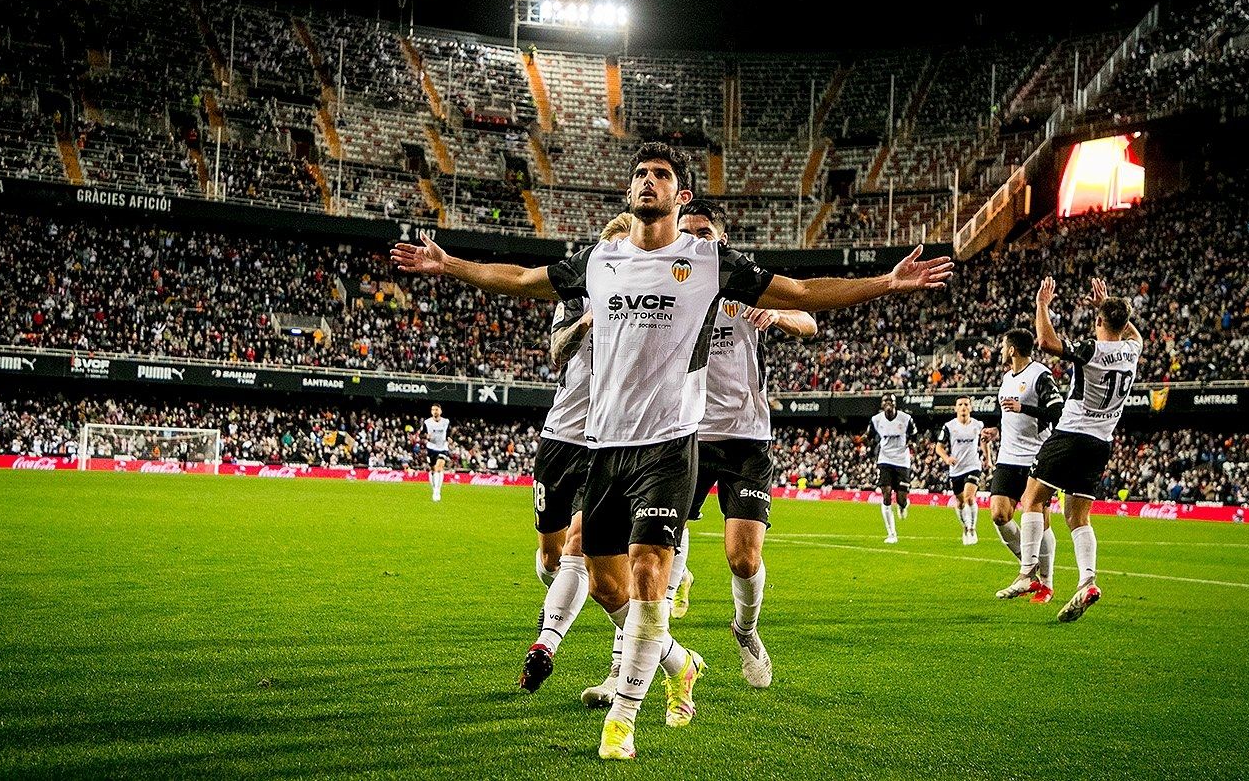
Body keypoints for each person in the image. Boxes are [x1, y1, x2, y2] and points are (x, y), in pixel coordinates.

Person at [392, 141, 951, 760]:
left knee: (649, 573)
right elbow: (522, 280)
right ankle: (679, 663)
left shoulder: (708, 260)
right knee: (607, 587)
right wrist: (450, 265)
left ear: (679, 195)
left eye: (660, 175)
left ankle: (623, 721)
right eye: (640, 174)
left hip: (669, 446)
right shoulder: (601, 259)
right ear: (629, 191)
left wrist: (885, 282)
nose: (647, 181)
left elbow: (799, 292)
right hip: (605, 446)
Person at [673, 199, 817, 688]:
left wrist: (776, 319)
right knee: (659, 541)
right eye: (686, 230)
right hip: (684, 432)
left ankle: (746, 630)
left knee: (743, 557)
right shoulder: (667, 287)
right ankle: (650, 642)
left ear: (722, 239)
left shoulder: (744, 282)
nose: (695, 238)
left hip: (745, 437)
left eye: (703, 231)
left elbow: (809, 321)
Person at [518, 214, 632, 697]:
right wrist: (586, 322)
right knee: (551, 557)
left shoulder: (638, 305)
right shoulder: (573, 299)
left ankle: (547, 645)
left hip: (604, 441)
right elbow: (557, 352)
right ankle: (626, 622)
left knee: (579, 547)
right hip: (558, 437)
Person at [996, 277, 1141, 623]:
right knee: (1077, 517)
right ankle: (1087, 580)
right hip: (1101, 443)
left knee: (1032, 499)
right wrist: (1107, 309)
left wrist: (1042, 304)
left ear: (1099, 322)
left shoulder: (1093, 350)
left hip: (1071, 434)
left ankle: (1027, 573)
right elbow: (1131, 333)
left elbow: (1046, 341)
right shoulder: (1132, 350)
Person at [986, 328, 1064, 604]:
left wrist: (1025, 409)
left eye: (1003, 345)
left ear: (1012, 350)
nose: (1000, 350)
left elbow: (1058, 412)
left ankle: (1046, 583)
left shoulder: (1040, 375)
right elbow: (1009, 415)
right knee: (998, 514)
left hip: (1035, 457)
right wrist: (996, 430)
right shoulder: (1007, 378)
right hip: (1007, 457)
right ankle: (1029, 568)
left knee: (1041, 521)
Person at [936, 396, 987, 545]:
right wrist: (947, 458)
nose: (963, 407)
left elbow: (984, 442)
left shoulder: (978, 425)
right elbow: (939, 447)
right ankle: (965, 527)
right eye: (960, 404)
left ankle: (972, 529)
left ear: (970, 408)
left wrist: (987, 458)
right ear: (956, 408)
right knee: (959, 503)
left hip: (973, 466)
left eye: (966, 404)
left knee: (969, 498)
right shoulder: (949, 426)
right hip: (956, 469)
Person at [868, 394, 917, 544]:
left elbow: (914, 434)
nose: (888, 404)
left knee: (901, 498)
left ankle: (903, 506)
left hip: (902, 461)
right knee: (886, 493)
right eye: (885, 401)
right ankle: (891, 534)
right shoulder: (876, 420)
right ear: (882, 405)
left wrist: (912, 444)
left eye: (891, 401)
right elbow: (870, 435)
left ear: (895, 404)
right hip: (885, 460)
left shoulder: (906, 418)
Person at [422, 404, 451, 502]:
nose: (435, 411)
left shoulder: (446, 422)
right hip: (431, 449)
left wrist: (449, 438)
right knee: (433, 470)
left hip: (442, 448)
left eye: (436, 409)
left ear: (440, 411)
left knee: (439, 467)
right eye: (433, 409)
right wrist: (426, 436)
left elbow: (449, 433)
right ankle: (434, 488)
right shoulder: (427, 422)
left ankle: (437, 491)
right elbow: (423, 434)